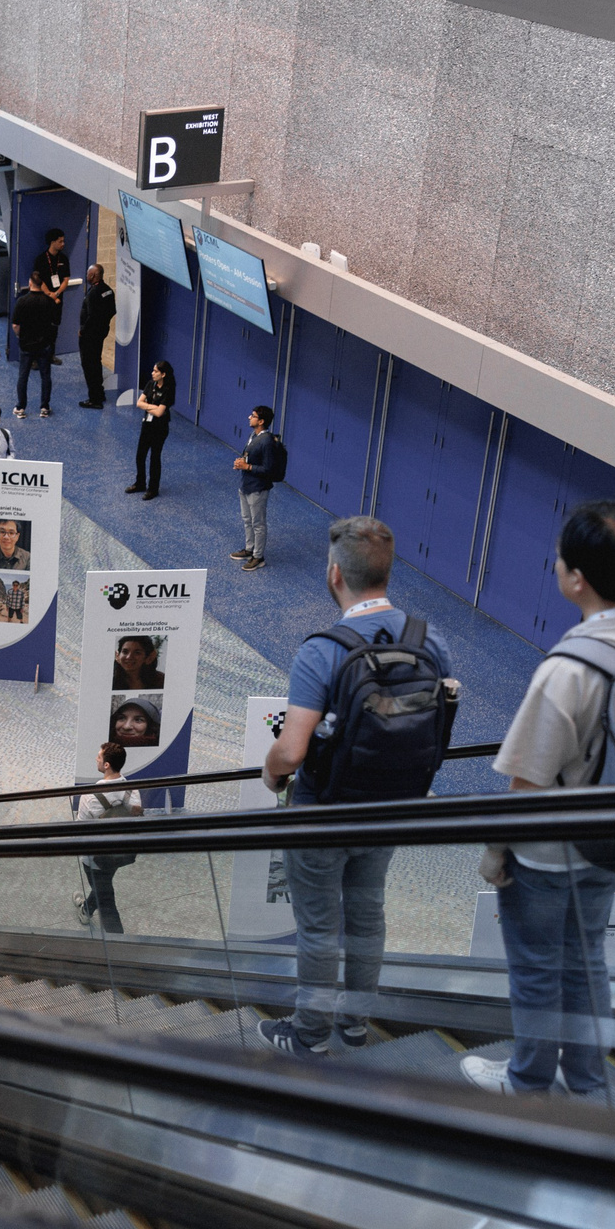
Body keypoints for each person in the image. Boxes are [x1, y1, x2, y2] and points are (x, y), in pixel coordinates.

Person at [465, 503, 615, 1098]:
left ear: (576, 579)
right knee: (587, 959)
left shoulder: (566, 671)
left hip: (550, 851)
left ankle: (528, 1084)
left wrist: (495, 853)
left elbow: (527, 785)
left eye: (563, 556)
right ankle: (587, 1082)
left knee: (537, 972)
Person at [258, 518, 456, 1058]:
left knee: (320, 926)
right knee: (368, 915)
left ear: (334, 574)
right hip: (391, 807)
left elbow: (292, 749)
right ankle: (354, 1024)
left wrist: (271, 773)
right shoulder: (428, 639)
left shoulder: (323, 650)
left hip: (324, 811)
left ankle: (310, 1033)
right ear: (387, 572)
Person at [74, 743, 139, 933]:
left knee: (107, 901)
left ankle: (117, 945)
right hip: (120, 853)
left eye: (99, 757)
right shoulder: (133, 791)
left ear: (107, 765)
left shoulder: (90, 796)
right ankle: (86, 908)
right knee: (103, 885)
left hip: (95, 858)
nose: (96, 759)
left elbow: (80, 830)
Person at [232, 404, 280, 572]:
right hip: (246, 485)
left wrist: (248, 467)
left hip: (257, 489)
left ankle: (258, 556)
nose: (249, 417)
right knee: (247, 520)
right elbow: (249, 456)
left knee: (258, 523)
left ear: (261, 421)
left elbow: (268, 469)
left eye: (252, 416)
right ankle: (249, 548)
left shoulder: (266, 441)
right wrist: (241, 463)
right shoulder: (254, 434)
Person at [10, 272, 60, 418]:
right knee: (45, 376)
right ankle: (44, 407)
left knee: (23, 376)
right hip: (44, 345)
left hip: (26, 345)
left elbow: (15, 325)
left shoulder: (22, 301)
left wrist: (20, 335)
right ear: (42, 284)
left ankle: (20, 407)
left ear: (30, 283)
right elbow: (55, 323)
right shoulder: (49, 302)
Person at [130, 360, 175, 500]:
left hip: (159, 428)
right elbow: (139, 402)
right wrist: (152, 407)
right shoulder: (150, 384)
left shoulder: (168, 390)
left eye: (156, 371)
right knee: (140, 455)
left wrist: (147, 405)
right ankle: (140, 483)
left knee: (155, 458)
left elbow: (160, 413)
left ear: (163, 374)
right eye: (153, 370)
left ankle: (153, 489)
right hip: (147, 425)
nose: (152, 373)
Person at [77, 265, 115, 409]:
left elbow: (91, 316)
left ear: (93, 276)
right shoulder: (108, 290)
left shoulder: (93, 293)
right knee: (96, 362)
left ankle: (95, 399)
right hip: (101, 333)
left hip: (90, 336)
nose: (86, 275)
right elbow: (112, 311)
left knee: (89, 365)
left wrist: (83, 330)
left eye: (88, 273)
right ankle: (100, 393)